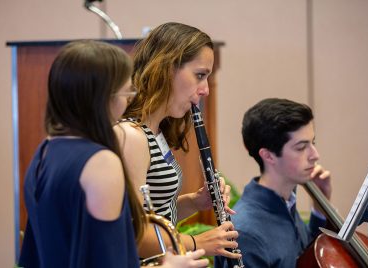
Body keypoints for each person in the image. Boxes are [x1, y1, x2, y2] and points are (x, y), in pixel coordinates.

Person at [18, 40, 209, 268]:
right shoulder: (100, 162)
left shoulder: (46, 151)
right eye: (126, 91)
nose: (130, 99)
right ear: (102, 96)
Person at [114, 22, 241, 260]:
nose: (205, 90)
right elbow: (132, 234)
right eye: (199, 75)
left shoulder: (155, 132)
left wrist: (195, 202)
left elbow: (159, 215)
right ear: (166, 69)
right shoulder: (132, 136)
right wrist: (197, 242)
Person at [215, 98, 332, 267]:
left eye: (312, 143)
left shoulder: (285, 201)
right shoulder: (247, 233)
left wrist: (320, 207)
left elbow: (308, 257)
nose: (315, 155)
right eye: (301, 147)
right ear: (268, 155)